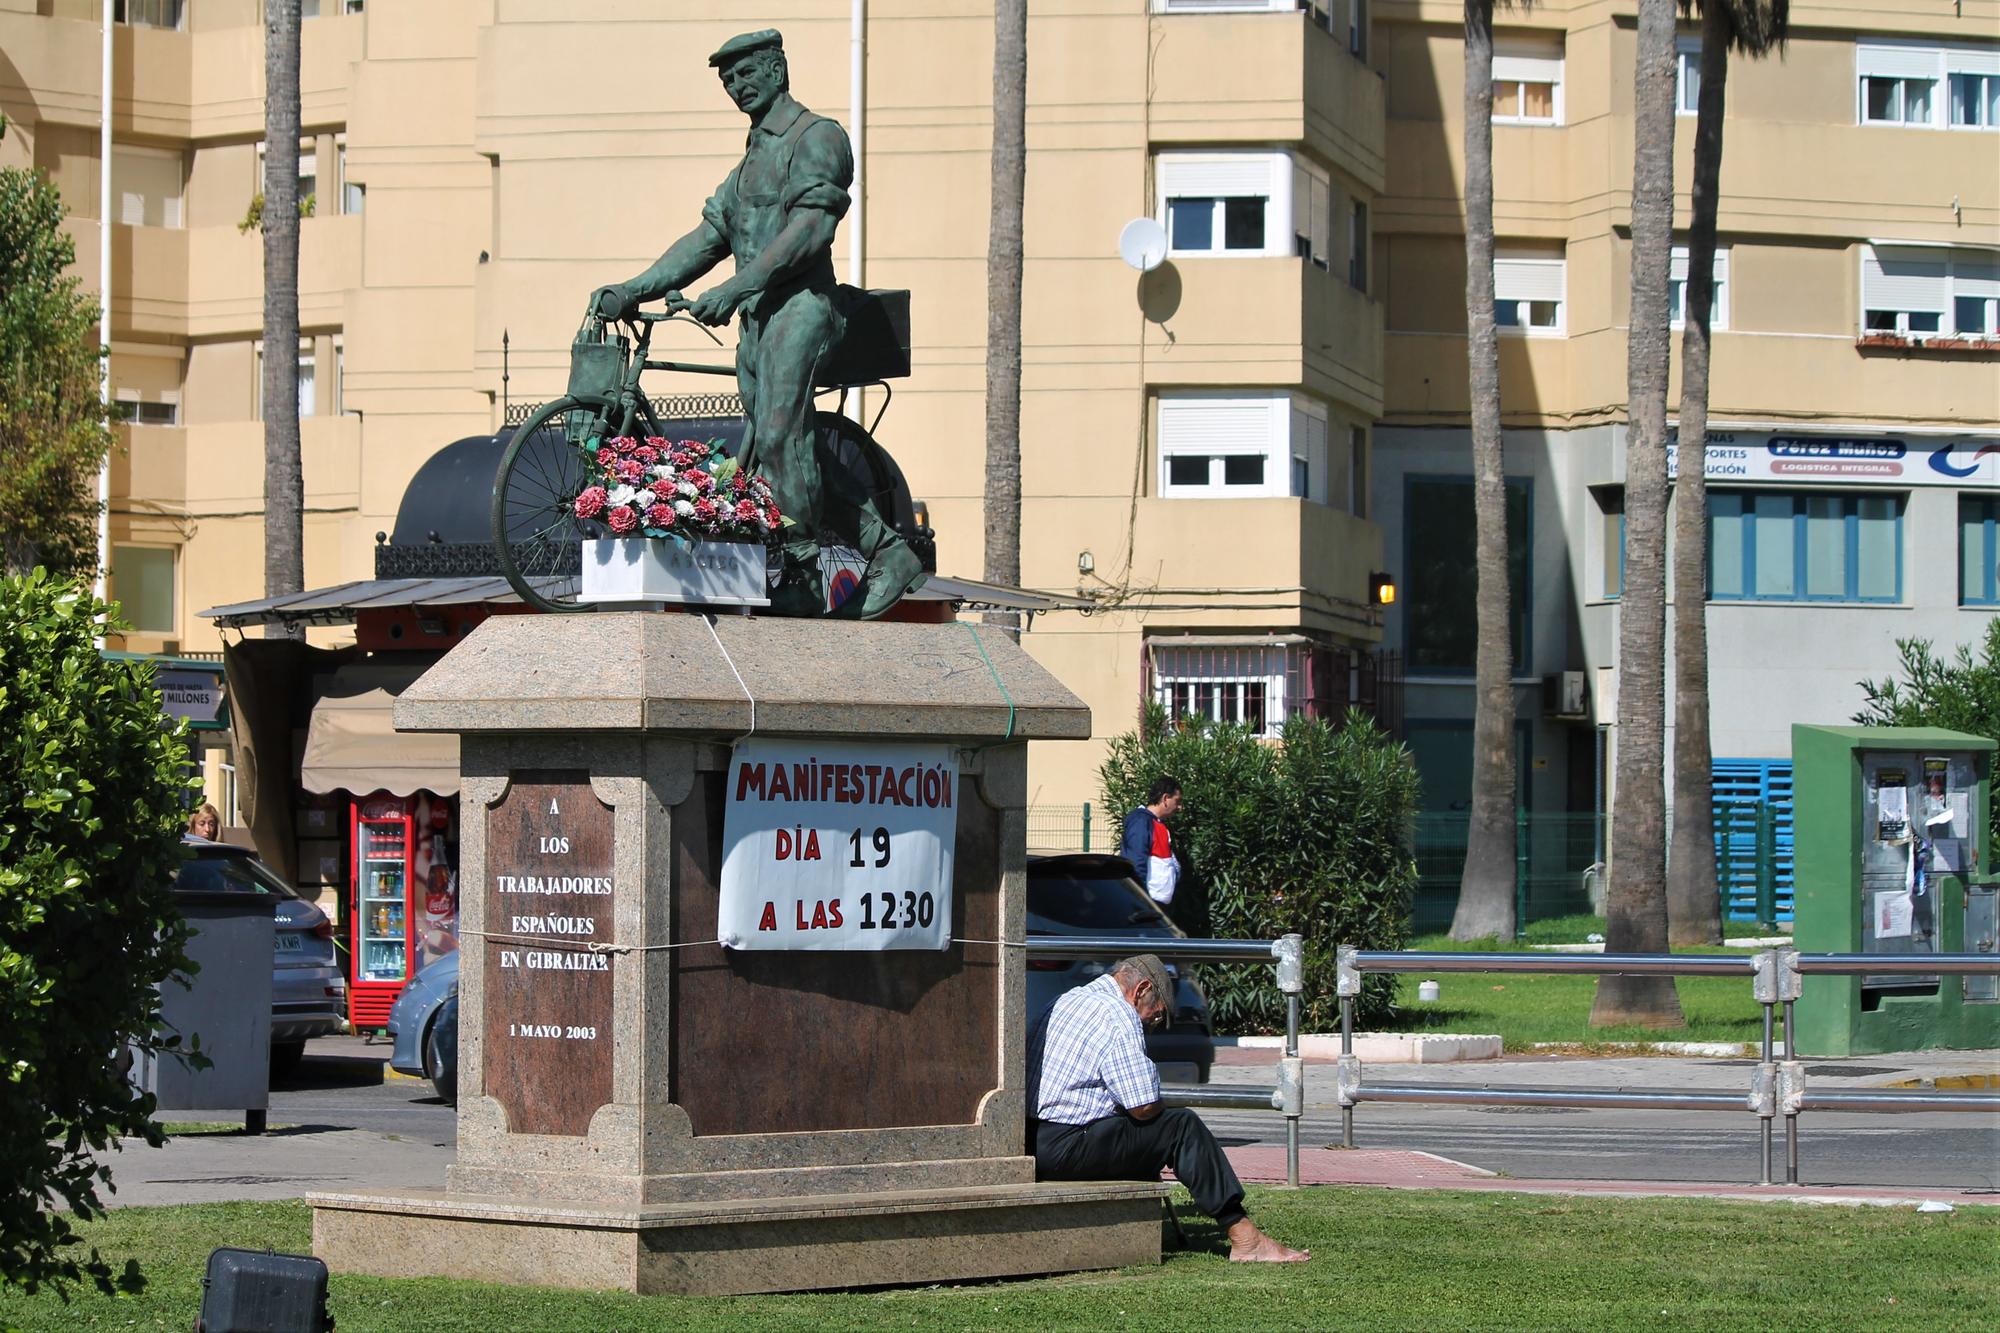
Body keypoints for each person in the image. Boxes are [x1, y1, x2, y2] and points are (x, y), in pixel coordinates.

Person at [591, 29, 923, 619]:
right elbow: (706, 241)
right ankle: (888, 552)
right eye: (727, 81)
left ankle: (797, 570)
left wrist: (738, 285)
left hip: (803, 309)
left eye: (746, 74)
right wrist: (633, 288)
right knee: (785, 453)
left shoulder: (817, 137)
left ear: (778, 69)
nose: (737, 87)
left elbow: (811, 231)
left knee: (774, 437)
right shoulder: (748, 164)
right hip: (756, 322)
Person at [1026, 953, 1309, 1263]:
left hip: (1032, 1140)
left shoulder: (1065, 1000)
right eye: (1156, 1015)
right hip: (1067, 1147)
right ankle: (1245, 1237)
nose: (1151, 1023)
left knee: (1145, 1131)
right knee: (1180, 1127)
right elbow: (1143, 1106)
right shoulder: (1118, 1015)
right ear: (1141, 989)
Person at [1119, 777, 1182, 907]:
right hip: (1147, 904)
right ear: (1165, 799)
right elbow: (1135, 863)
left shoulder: (1157, 824)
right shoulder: (1141, 822)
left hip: (1157, 904)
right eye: (1177, 801)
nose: (1180, 807)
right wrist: (1141, 900)